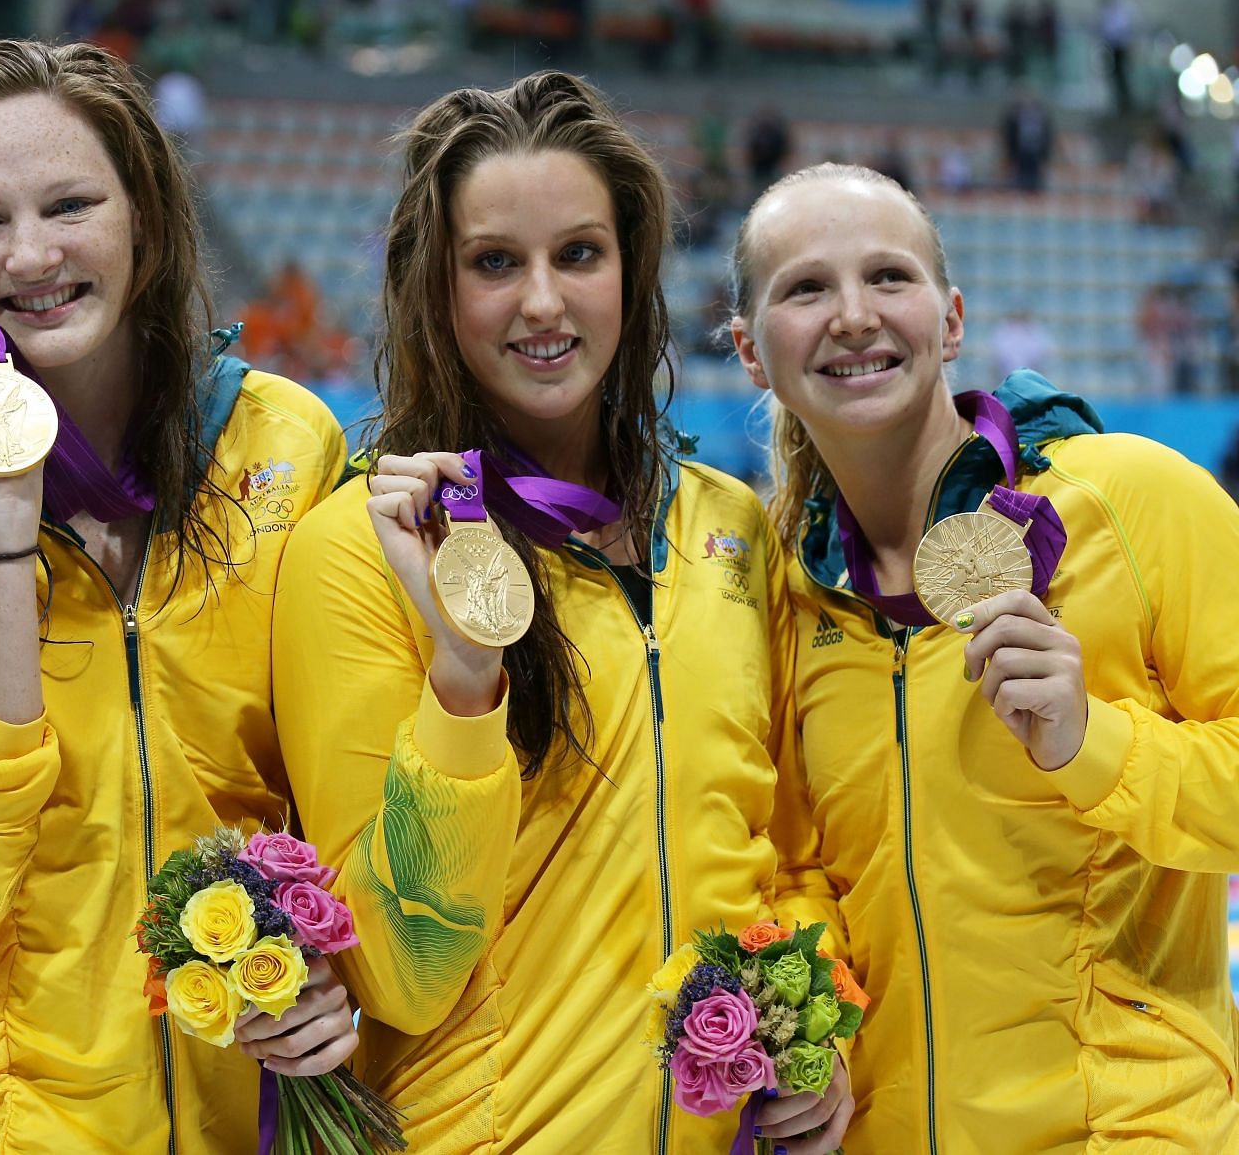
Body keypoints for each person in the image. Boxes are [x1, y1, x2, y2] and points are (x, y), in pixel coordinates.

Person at [273, 72, 853, 1153]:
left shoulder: (729, 527)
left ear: (630, 278)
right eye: (496, 263)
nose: (542, 301)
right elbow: (398, 972)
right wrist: (465, 674)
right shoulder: (356, 553)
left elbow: (787, 849)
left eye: (579, 255)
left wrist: (810, 1024)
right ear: (434, 292)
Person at [0, 39, 357, 1152]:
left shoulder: (286, 445)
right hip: (7, 1121)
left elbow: (340, 793)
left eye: (71, 204)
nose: (33, 255)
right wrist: (0, 519)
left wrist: (350, 975)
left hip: (264, 1106)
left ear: (145, 221)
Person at [729, 161, 1239, 1152]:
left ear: (951, 318)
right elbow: (797, 872)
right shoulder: (787, 601)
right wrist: (814, 1030)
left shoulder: (1133, 500)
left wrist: (1095, 744)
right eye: (805, 288)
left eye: (888, 277)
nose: (852, 315)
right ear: (751, 352)